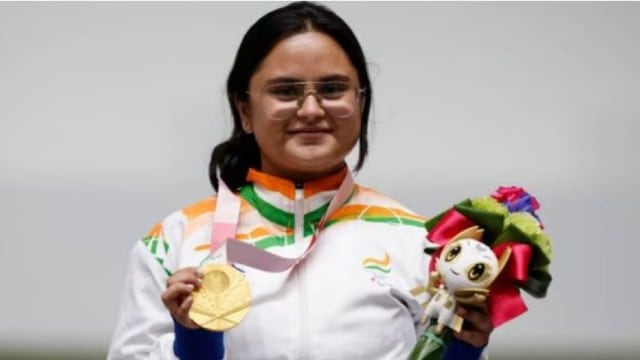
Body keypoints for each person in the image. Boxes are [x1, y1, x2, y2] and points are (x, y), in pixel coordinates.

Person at [107, 2, 493, 359]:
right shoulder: (172, 243)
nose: (310, 109)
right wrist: (194, 346)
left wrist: (464, 352)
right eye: (286, 91)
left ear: (360, 102)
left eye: (331, 89)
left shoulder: (420, 244)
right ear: (244, 109)